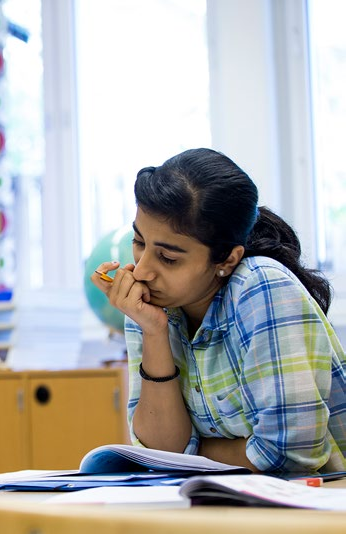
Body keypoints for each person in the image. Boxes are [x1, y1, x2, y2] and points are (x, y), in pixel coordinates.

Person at [92, 147, 346, 475]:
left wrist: (194, 453)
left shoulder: (261, 287)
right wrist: (153, 331)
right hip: (229, 507)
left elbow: (290, 457)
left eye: (168, 258)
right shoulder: (150, 305)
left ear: (227, 259)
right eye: (140, 242)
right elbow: (161, 451)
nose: (141, 271)